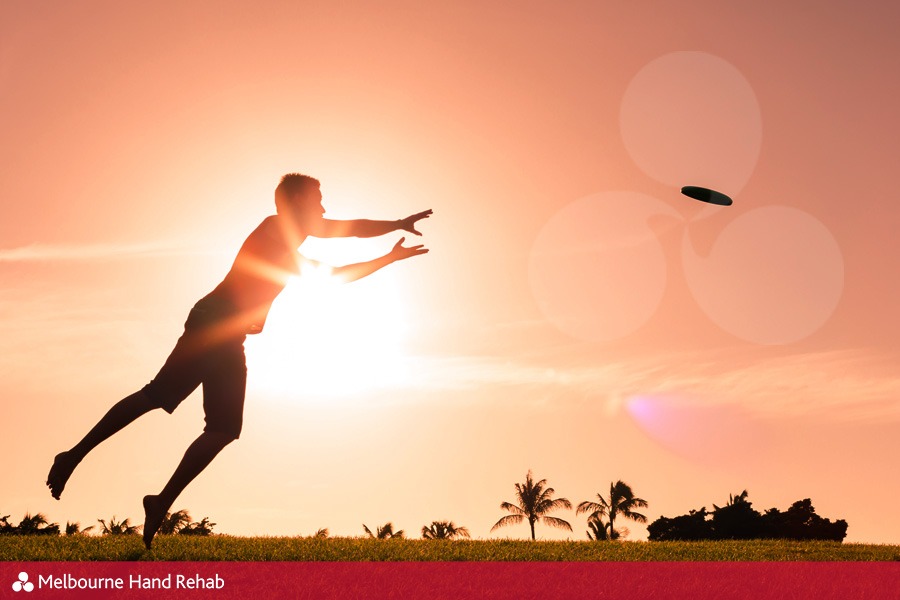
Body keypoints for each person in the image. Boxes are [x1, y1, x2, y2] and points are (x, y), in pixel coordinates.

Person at [46, 173, 431, 549]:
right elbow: (336, 257)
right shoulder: (274, 230)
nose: (324, 208)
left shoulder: (292, 238)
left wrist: (395, 230)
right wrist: (388, 254)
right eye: (317, 200)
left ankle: (160, 501)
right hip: (213, 322)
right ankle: (73, 456)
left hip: (231, 335)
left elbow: (350, 231)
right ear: (297, 202)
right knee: (157, 395)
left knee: (224, 428)